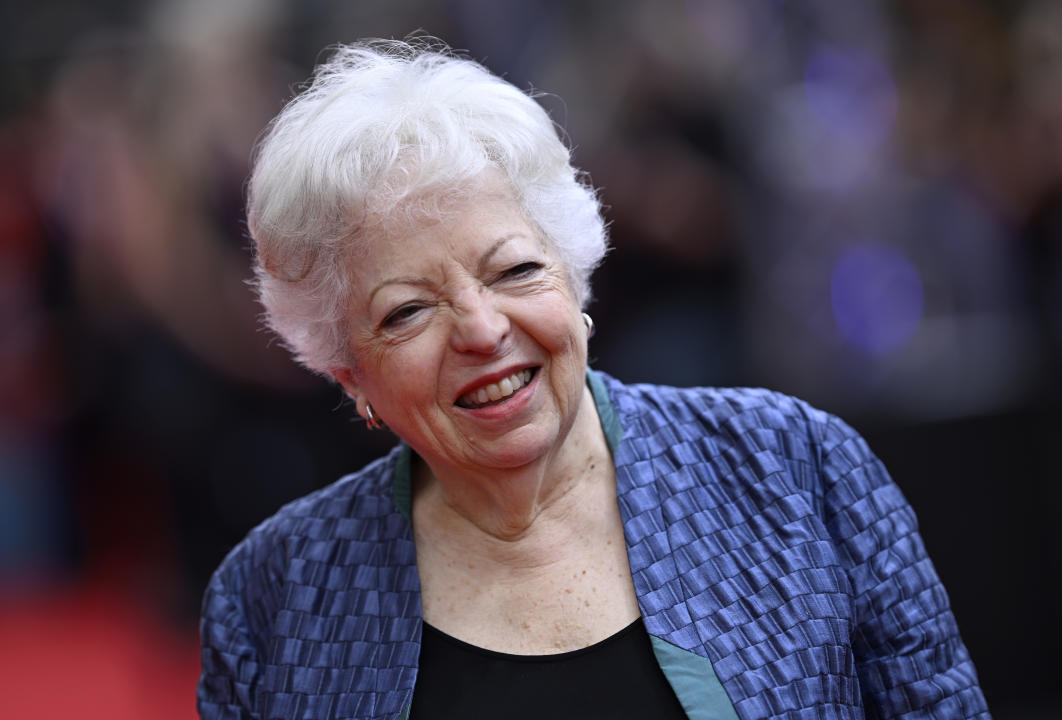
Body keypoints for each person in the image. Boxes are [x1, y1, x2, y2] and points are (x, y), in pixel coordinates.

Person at [197, 38, 990, 720]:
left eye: (514, 269)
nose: (481, 329)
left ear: (574, 279)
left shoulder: (797, 469)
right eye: (407, 311)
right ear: (348, 370)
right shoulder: (276, 594)